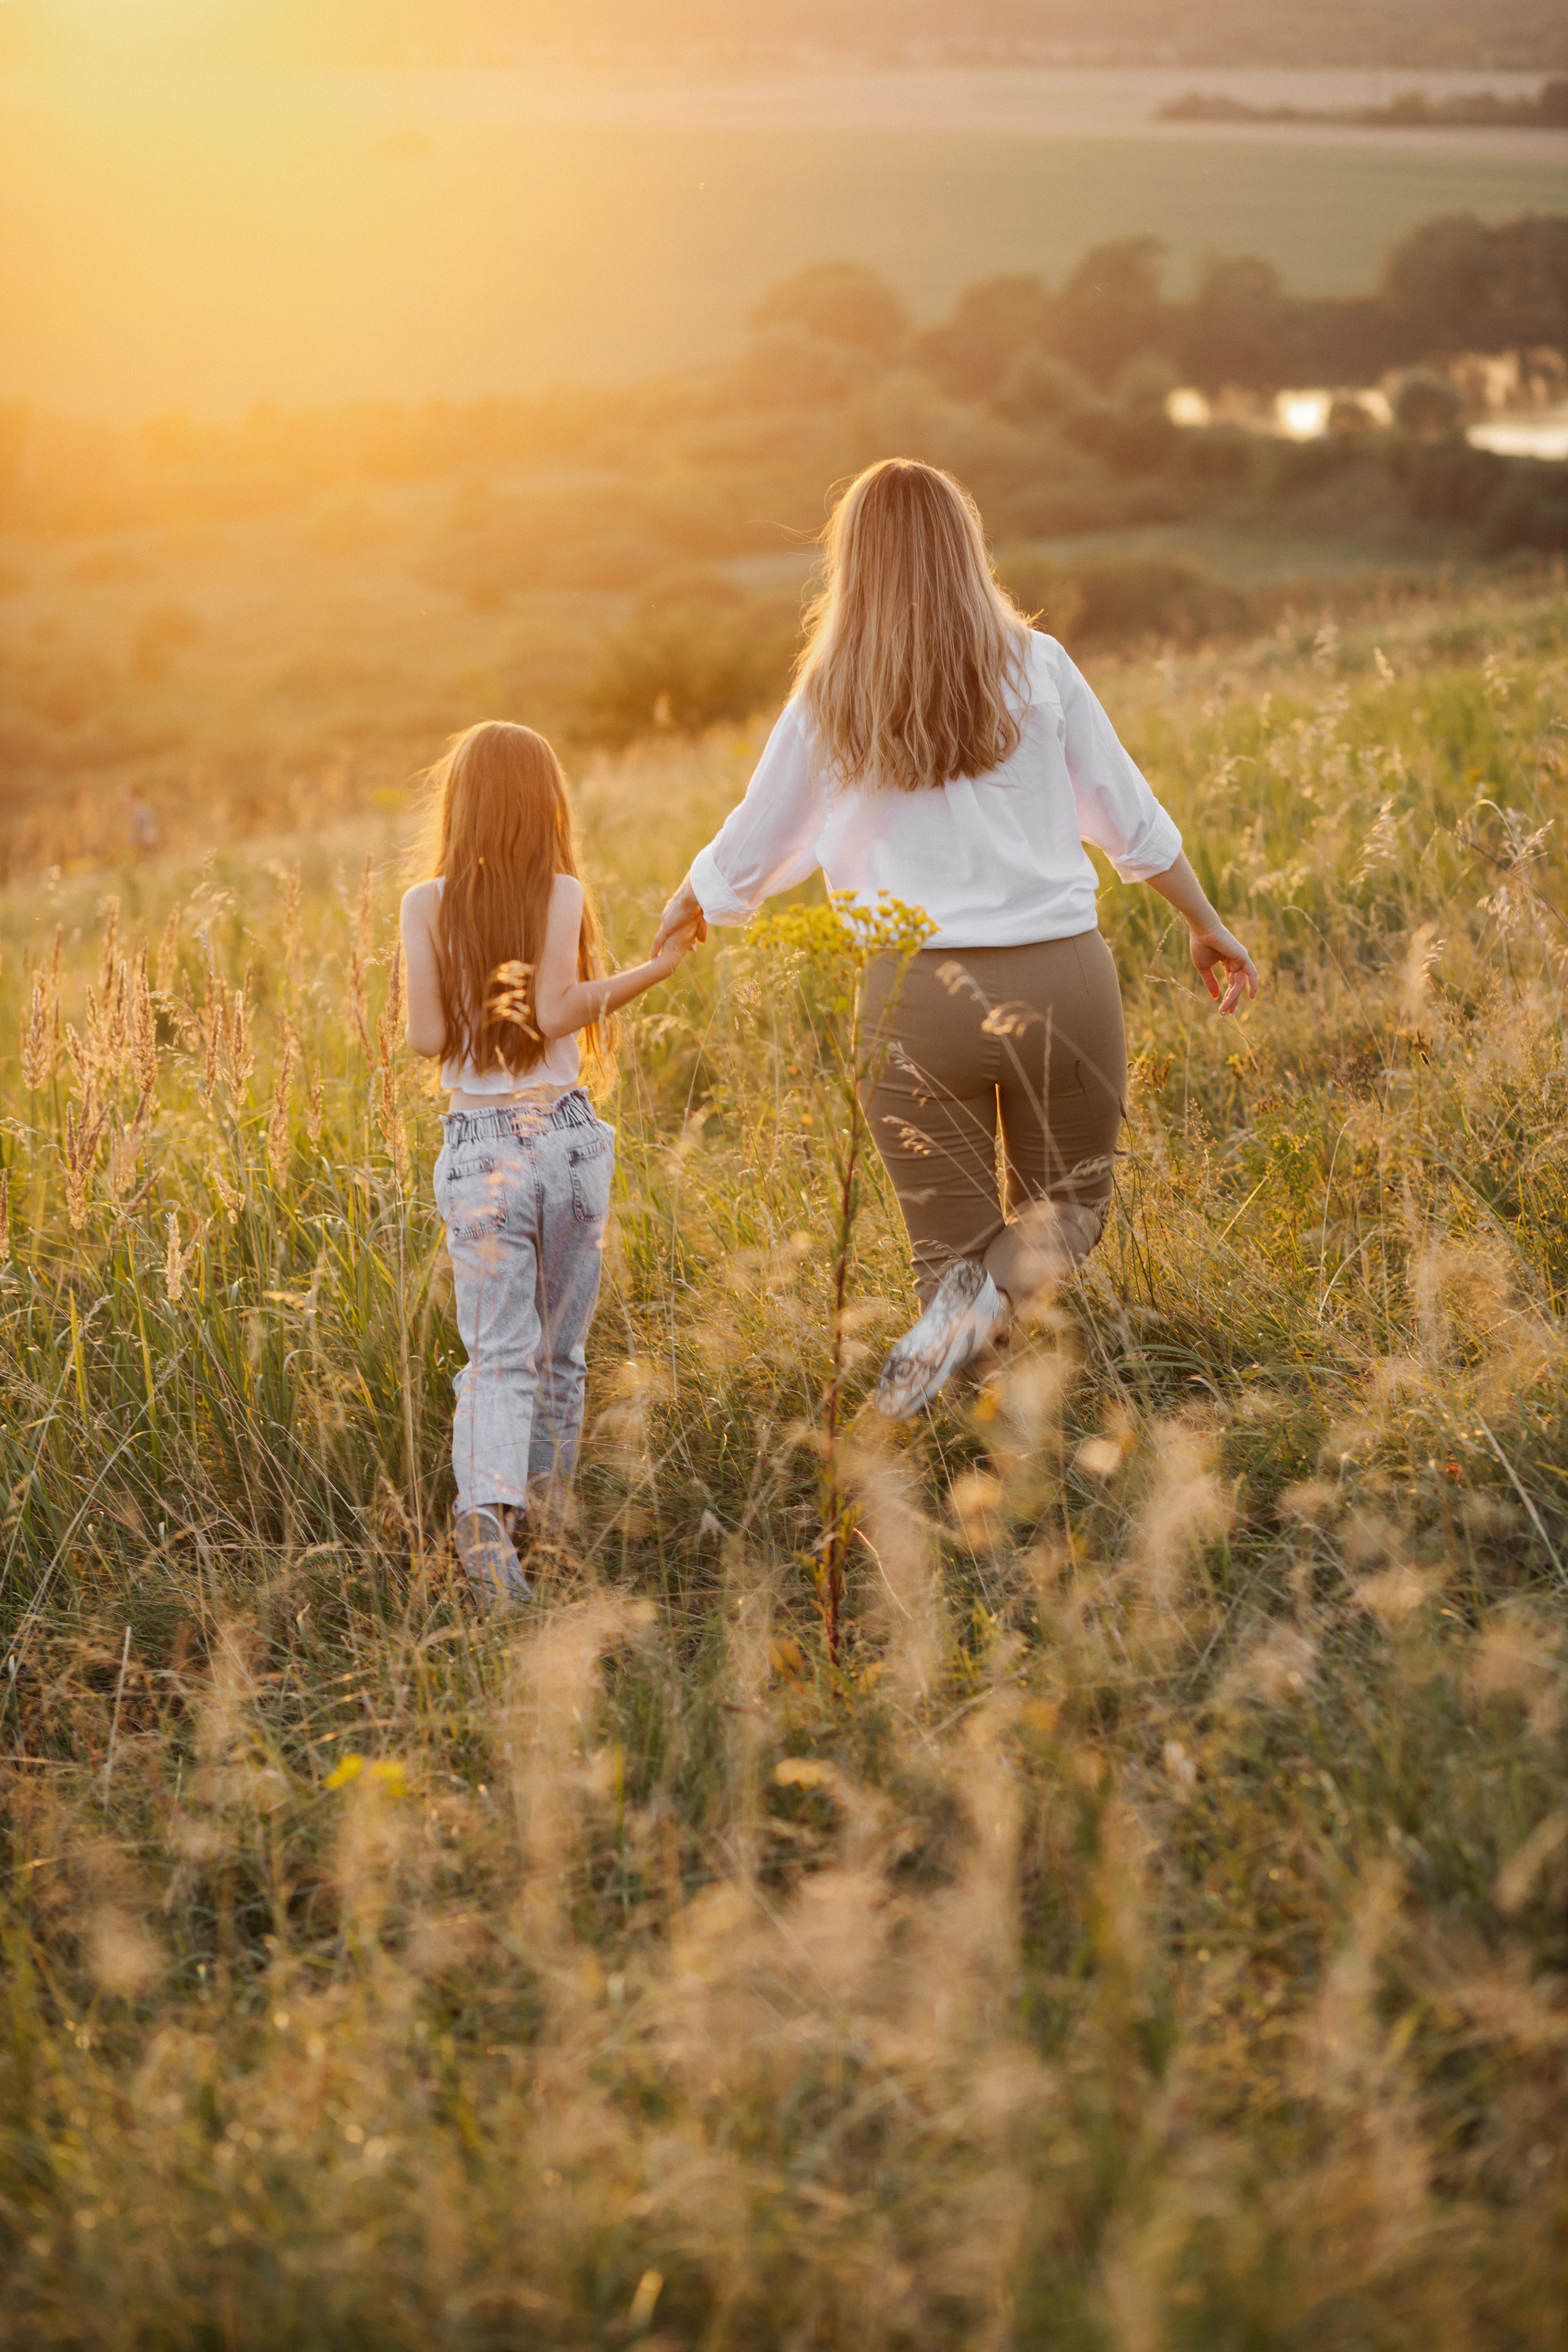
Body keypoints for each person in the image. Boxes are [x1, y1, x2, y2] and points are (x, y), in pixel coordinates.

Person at [652, 458, 1257, 1420]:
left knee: (952, 1259)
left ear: (853, 563)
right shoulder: (1039, 665)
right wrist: (1205, 921)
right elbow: (1130, 816)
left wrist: (687, 912)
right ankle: (1006, 1431)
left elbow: (755, 837)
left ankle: (977, 1431)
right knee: (1070, 1210)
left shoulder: (830, 694)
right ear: (963, 547)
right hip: (1063, 981)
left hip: (914, 1001)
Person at [402, 721, 695, 1606]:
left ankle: (487, 1516)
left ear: (461, 804)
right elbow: (564, 1012)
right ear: (544, 803)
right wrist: (655, 969)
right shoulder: (561, 890)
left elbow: (423, 1039)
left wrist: (473, 1008)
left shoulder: (424, 903)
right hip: (564, 1140)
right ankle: (551, 1522)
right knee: (559, 1355)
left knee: (496, 1356)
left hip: (479, 1143)